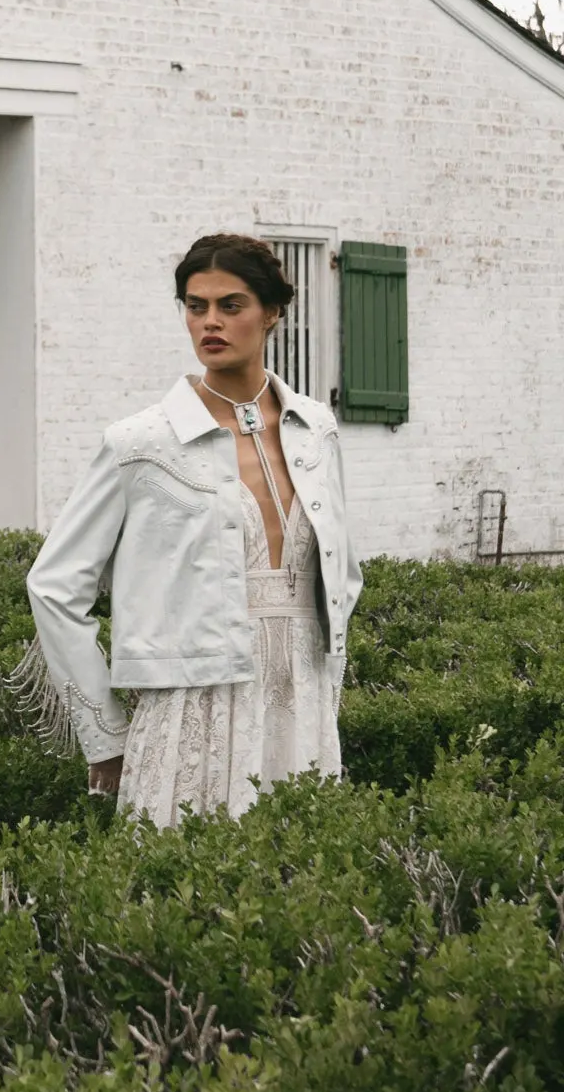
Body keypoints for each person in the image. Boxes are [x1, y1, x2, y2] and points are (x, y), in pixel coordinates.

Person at [23, 232, 360, 826]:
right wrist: (103, 731)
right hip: (189, 709)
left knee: (304, 891)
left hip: (302, 701)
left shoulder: (317, 430)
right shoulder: (141, 443)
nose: (210, 322)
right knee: (180, 896)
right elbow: (53, 585)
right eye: (195, 305)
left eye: (231, 306)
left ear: (272, 313)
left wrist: (323, 682)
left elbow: (343, 574)